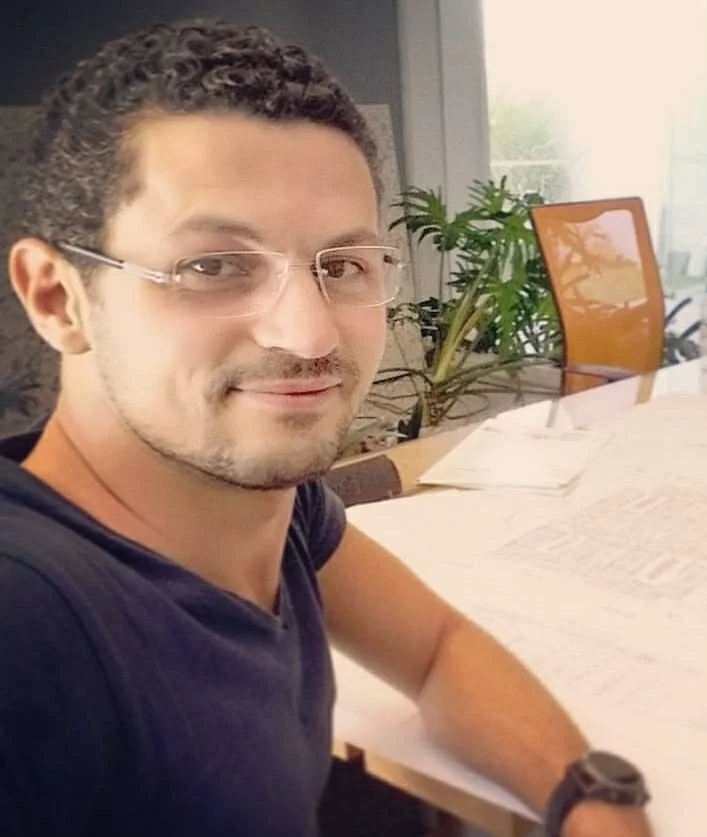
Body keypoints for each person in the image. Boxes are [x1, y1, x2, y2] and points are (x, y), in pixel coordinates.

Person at [0, 19, 653, 837]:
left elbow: (437, 650)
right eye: (212, 266)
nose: (307, 336)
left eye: (341, 265)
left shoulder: (279, 511)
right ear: (58, 298)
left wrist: (591, 801)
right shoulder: (31, 629)